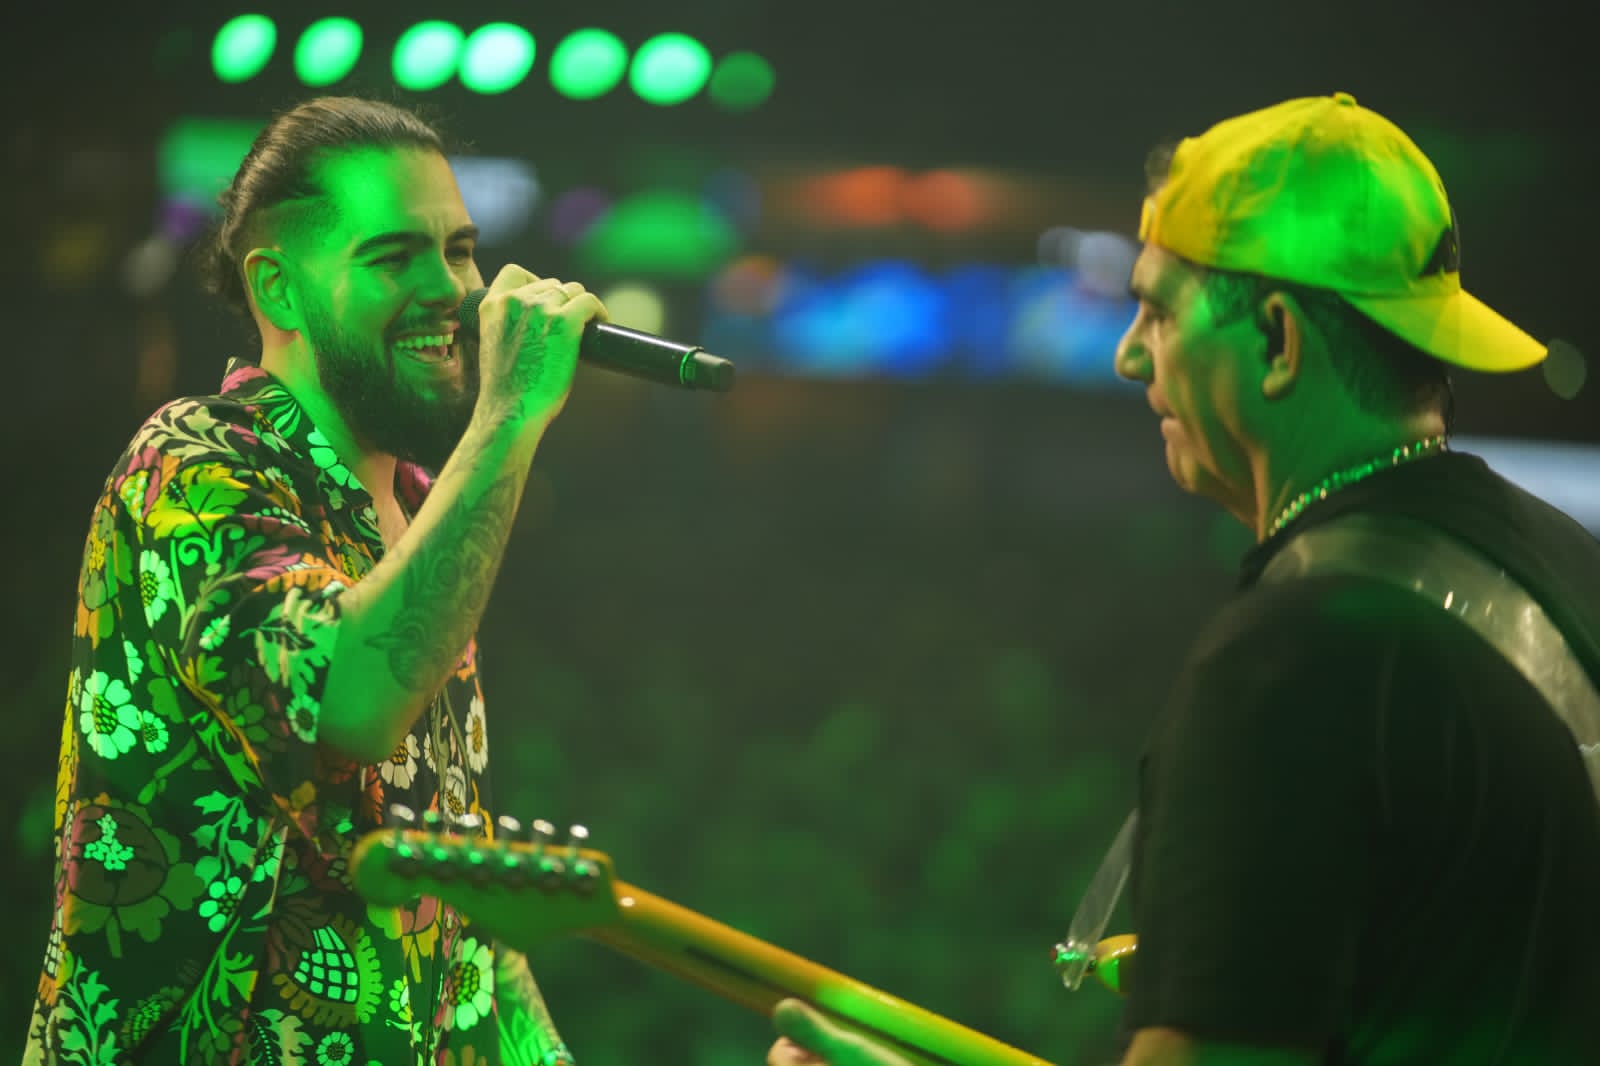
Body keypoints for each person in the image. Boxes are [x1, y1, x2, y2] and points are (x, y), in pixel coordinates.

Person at [768, 92, 1600, 1065]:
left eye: (1159, 310)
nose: (1129, 355)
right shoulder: (1567, 567)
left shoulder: (1299, 654)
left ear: (1278, 341)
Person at [25, 95, 607, 1064]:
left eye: (459, 249)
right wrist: (509, 417)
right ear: (279, 290)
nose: (452, 289)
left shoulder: (422, 509)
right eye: (393, 257)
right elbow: (350, 699)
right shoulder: (193, 465)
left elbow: (462, 942)